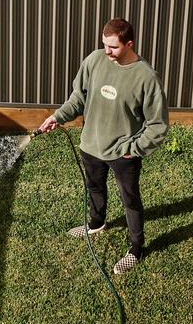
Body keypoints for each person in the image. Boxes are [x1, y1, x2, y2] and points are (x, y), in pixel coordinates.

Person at [37, 17, 170, 274]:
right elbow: (78, 97)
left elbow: (158, 125)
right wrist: (57, 116)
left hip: (123, 153)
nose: (107, 51)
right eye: (104, 45)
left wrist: (134, 149)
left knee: (129, 199)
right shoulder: (95, 60)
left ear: (129, 44)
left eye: (113, 47)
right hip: (91, 145)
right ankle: (97, 223)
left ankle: (136, 248)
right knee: (94, 186)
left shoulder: (146, 77)